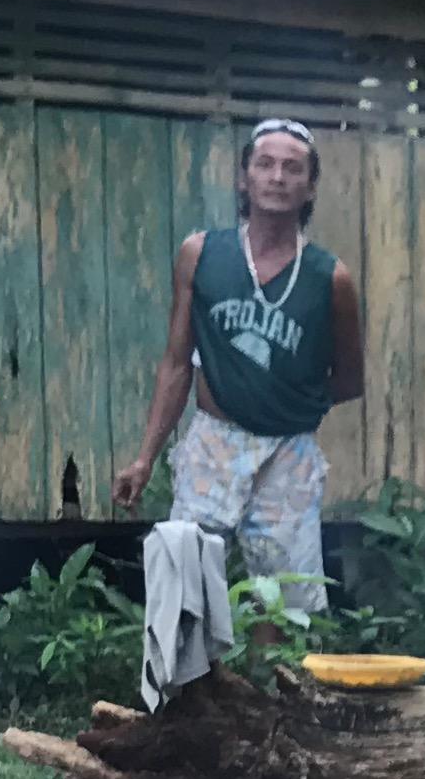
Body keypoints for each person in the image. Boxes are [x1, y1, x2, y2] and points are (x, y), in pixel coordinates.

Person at [111, 118, 366, 612]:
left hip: (288, 453)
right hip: (212, 441)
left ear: (310, 186)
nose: (276, 177)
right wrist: (145, 457)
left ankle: (275, 688)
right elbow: (176, 362)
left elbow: (351, 380)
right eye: (265, 164)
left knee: (285, 595)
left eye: (292, 169)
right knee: (183, 579)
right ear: (243, 177)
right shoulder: (203, 253)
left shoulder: (330, 278)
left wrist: (284, 398)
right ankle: (185, 689)